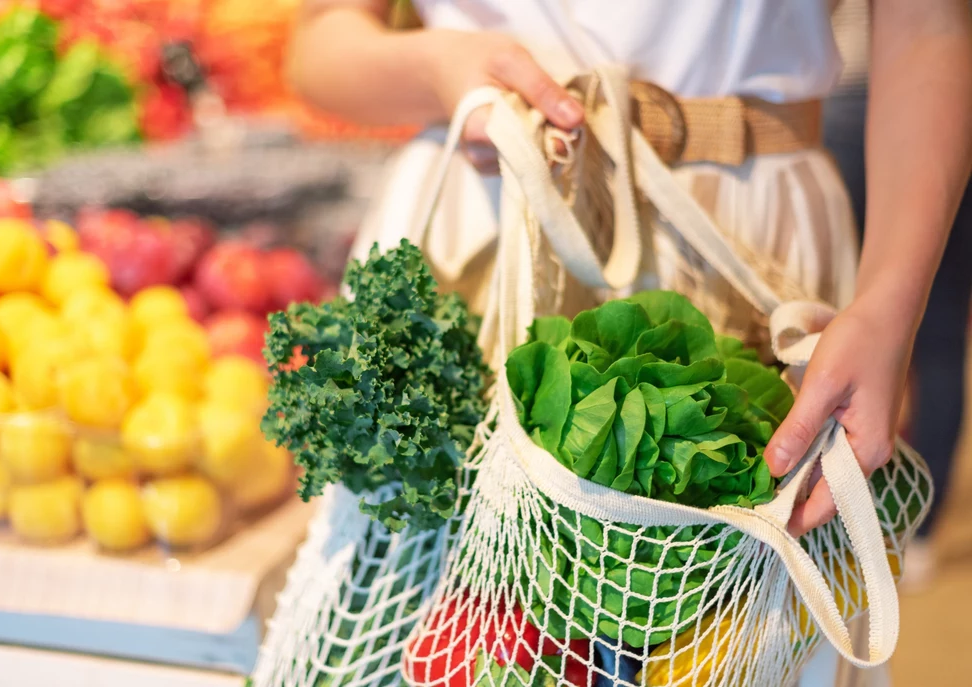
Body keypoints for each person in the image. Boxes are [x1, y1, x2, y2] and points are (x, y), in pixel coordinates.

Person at [289, 1, 972, 683]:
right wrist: (429, 67)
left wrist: (890, 306)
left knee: (740, 645)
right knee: (449, 640)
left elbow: (932, 25)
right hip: (495, 220)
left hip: (752, 233)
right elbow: (319, 42)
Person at [824, 0, 972, 591]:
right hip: (908, 100)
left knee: (864, 330)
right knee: (932, 332)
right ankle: (919, 527)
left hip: (840, 104)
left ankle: (901, 517)